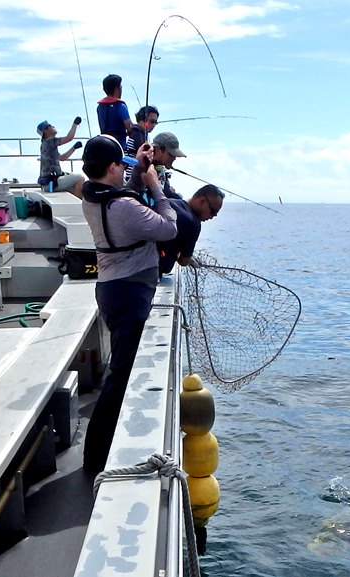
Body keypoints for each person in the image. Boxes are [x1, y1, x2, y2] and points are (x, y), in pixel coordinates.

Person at [80, 135, 177, 474]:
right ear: (111, 166)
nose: (127, 169)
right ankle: (94, 460)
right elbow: (167, 228)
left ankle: (98, 452)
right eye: (123, 164)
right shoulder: (121, 207)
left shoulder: (93, 195)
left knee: (120, 372)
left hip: (112, 289)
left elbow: (127, 197)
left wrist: (139, 172)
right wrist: (155, 185)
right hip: (129, 294)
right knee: (120, 376)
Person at [157, 184, 224, 275]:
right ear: (202, 201)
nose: (211, 217)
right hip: (151, 271)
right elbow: (183, 261)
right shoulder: (193, 224)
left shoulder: (170, 202)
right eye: (213, 212)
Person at [127, 131, 187, 202]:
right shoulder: (142, 167)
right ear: (159, 150)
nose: (174, 158)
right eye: (171, 154)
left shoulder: (161, 170)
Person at [37, 118, 85, 198]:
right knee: (80, 178)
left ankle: (74, 205)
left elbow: (62, 158)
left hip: (49, 182)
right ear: (46, 131)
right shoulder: (50, 141)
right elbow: (69, 138)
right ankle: (78, 208)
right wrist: (75, 124)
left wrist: (74, 148)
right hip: (52, 182)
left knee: (76, 185)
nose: (53, 126)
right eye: (50, 126)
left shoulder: (46, 144)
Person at [96, 74, 132, 150]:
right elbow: (130, 128)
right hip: (119, 147)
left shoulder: (100, 107)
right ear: (117, 88)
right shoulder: (120, 106)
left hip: (104, 145)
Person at [124, 105, 159, 179]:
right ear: (142, 120)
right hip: (132, 177)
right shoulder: (138, 134)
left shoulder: (136, 133)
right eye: (152, 121)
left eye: (156, 122)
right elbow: (145, 156)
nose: (154, 125)